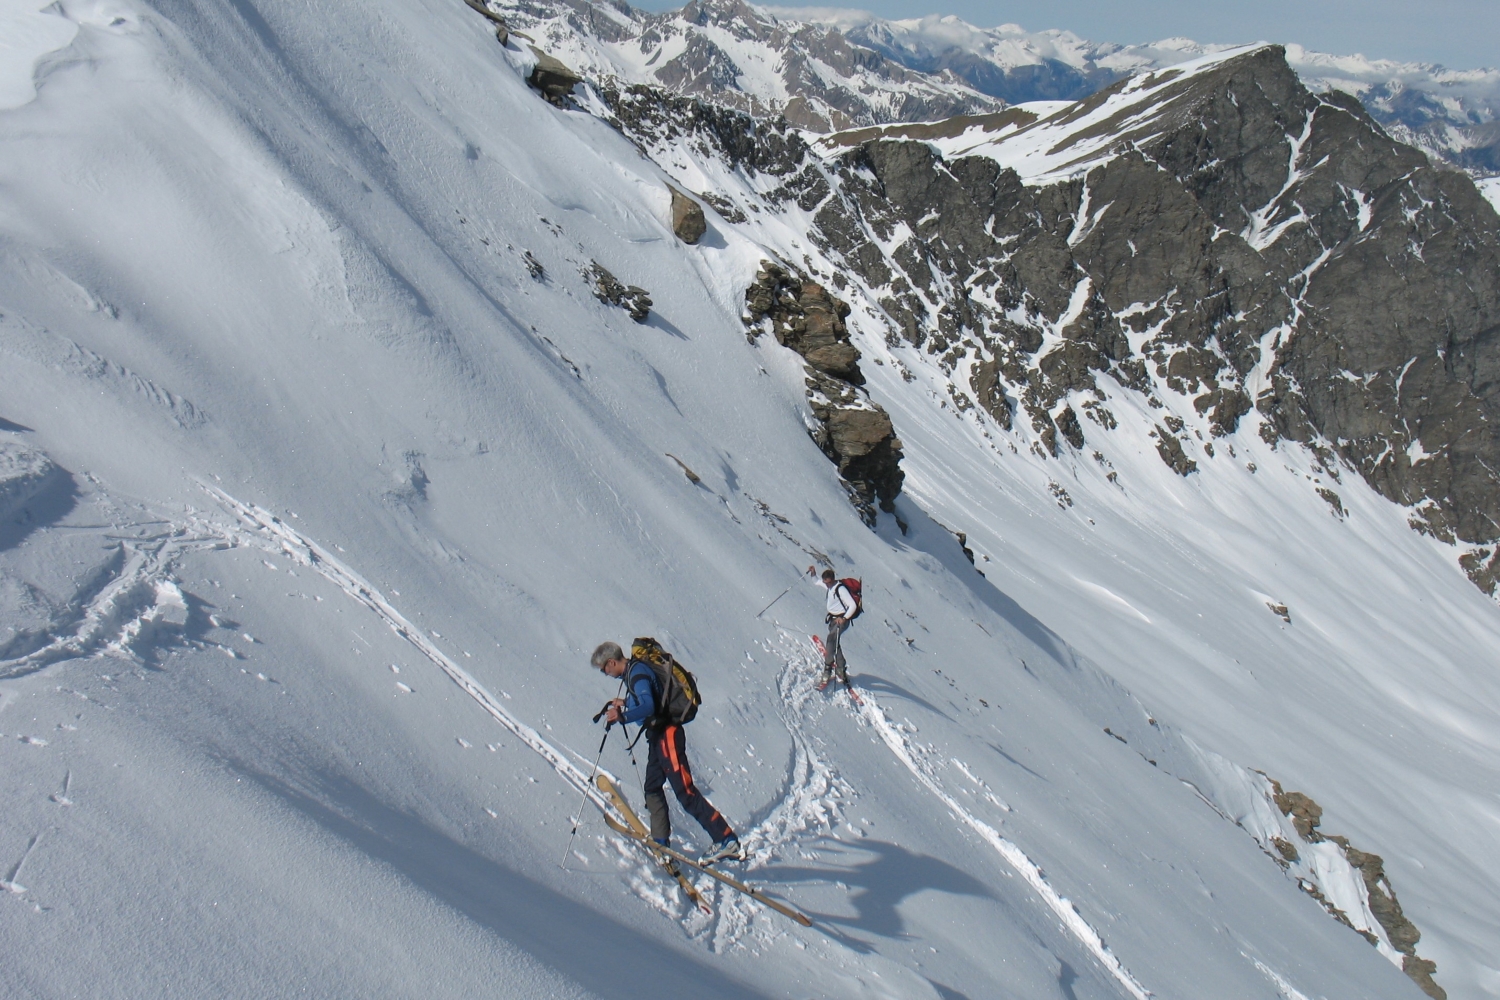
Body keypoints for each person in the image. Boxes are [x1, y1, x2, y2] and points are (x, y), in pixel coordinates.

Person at [591, 640, 743, 864]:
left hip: (667, 736)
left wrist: (622, 716)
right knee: (652, 787)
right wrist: (625, 703)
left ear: (611, 662)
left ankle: (726, 840)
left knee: (685, 792)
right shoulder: (635, 672)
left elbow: (649, 706)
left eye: (605, 669)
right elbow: (647, 699)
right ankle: (661, 842)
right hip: (657, 738)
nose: (606, 673)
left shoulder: (637, 673)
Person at [818, 568, 857, 686]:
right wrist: (814, 574)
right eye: (825, 583)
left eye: (829, 582)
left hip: (841, 621)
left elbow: (853, 606)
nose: (827, 585)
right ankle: (841, 668)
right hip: (833, 620)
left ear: (833, 580)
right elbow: (817, 582)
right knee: (834, 643)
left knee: (831, 642)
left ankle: (827, 670)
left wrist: (844, 618)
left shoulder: (841, 589)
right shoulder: (830, 586)